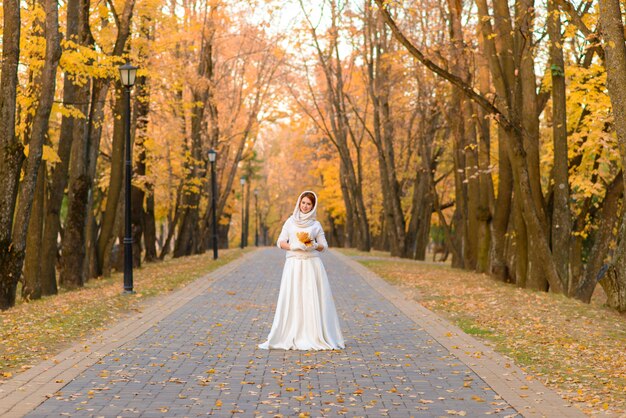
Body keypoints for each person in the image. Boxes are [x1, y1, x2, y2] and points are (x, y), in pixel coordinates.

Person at [258, 191, 345, 350]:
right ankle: (292, 332)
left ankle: (313, 334)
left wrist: (313, 245)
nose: (305, 206)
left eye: (308, 204)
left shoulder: (315, 225)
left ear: (313, 207)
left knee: (310, 297)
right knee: (294, 297)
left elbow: (323, 246)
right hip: (294, 265)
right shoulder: (290, 222)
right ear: (299, 203)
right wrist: (293, 246)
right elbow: (280, 242)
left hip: (311, 265)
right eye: (303, 203)